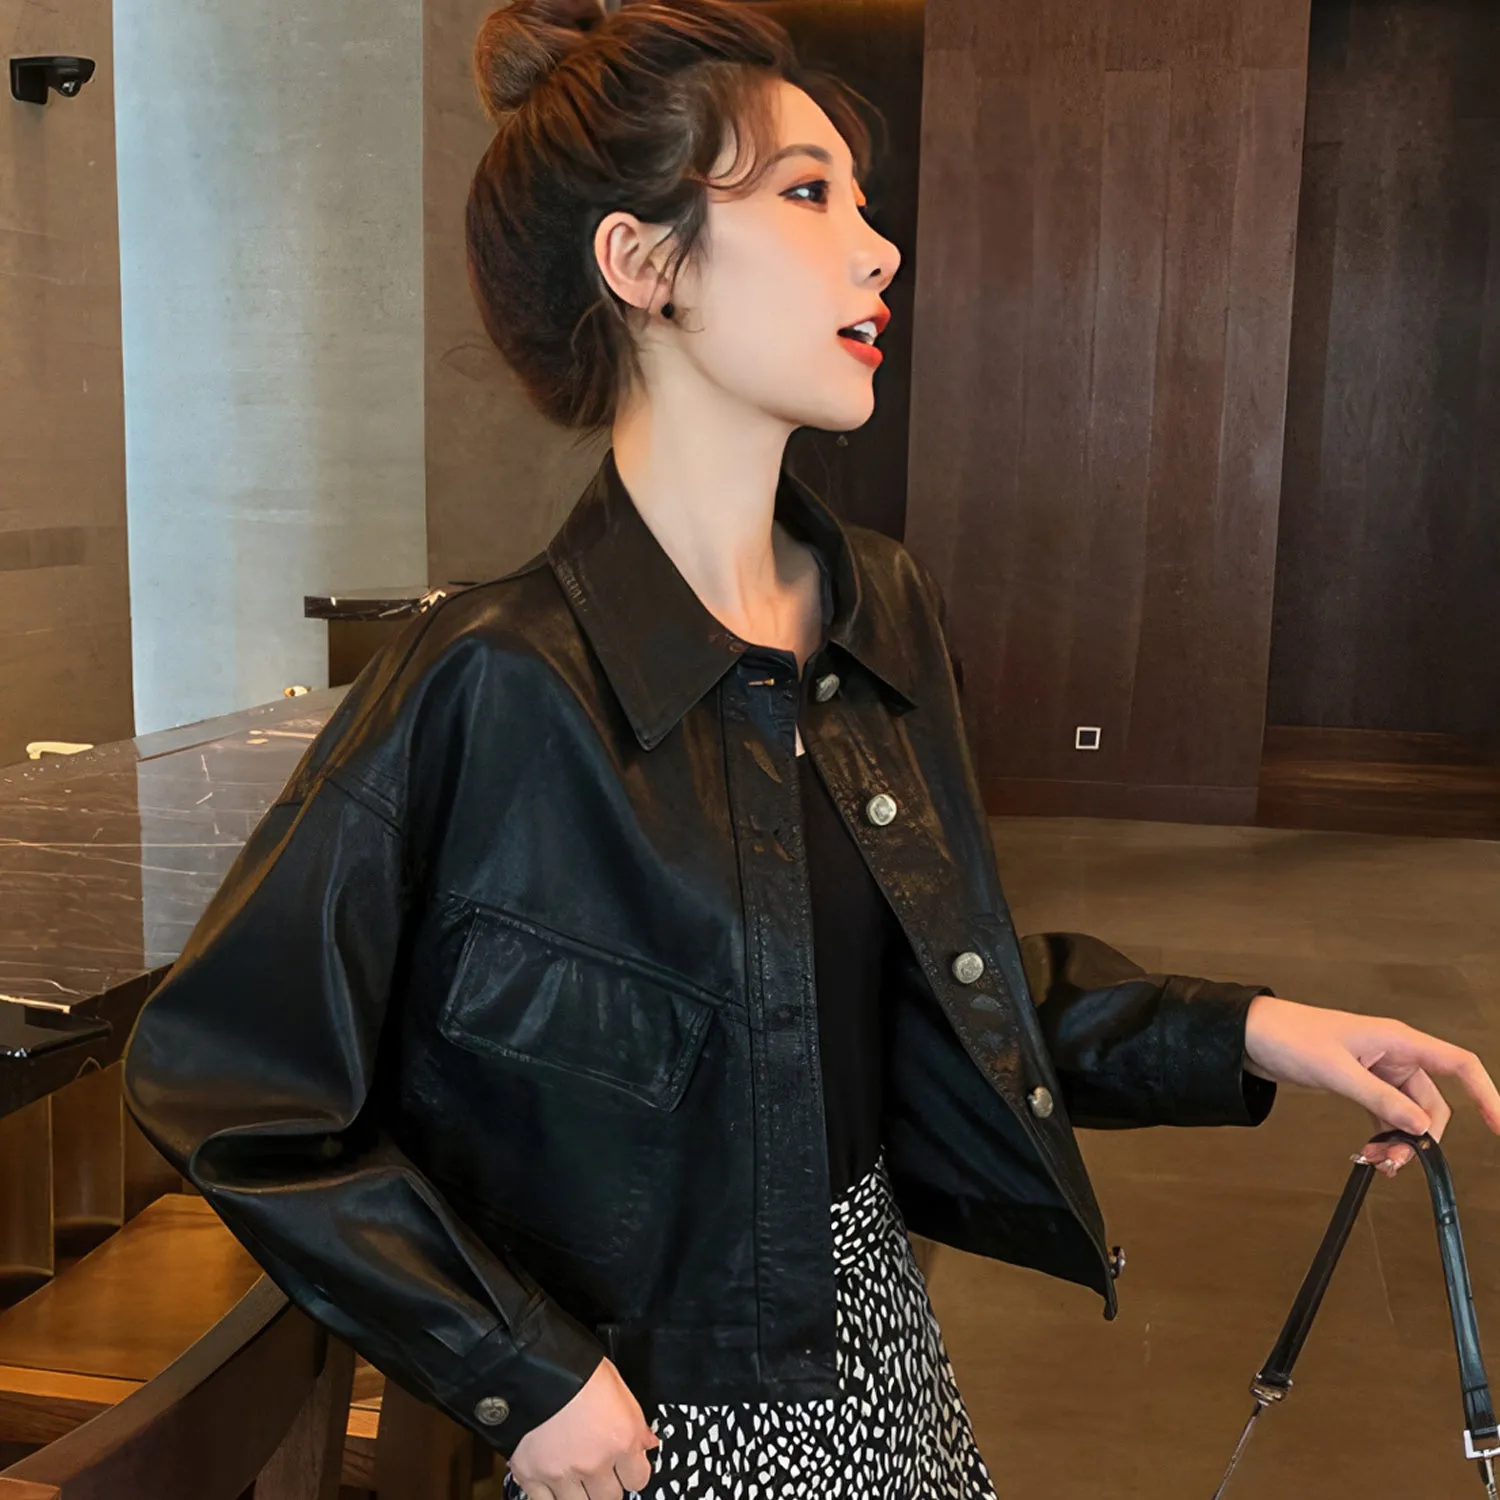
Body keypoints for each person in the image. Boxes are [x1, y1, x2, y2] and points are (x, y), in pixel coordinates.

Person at [122, 1, 1500, 1497]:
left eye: (859, 197)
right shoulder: (493, 678)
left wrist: (1256, 1031)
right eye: (806, 192)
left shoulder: (877, 607)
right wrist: (520, 1368)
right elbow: (231, 1079)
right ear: (643, 264)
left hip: (877, 1347)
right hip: (648, 1422)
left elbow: (920, 987)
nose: (879, 247)